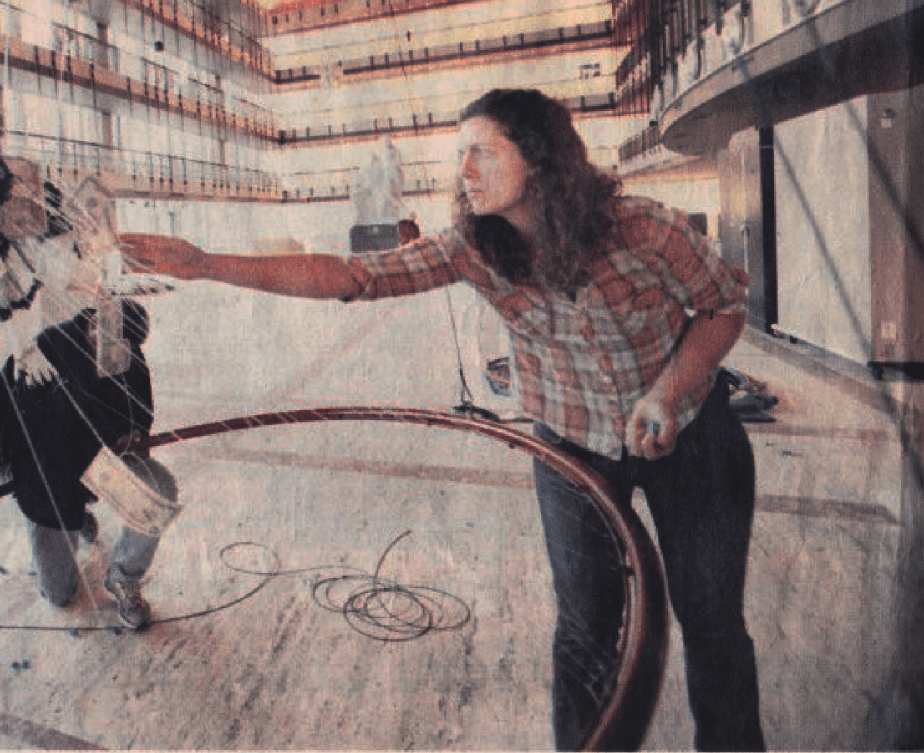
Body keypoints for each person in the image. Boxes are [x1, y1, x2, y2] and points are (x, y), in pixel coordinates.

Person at [120, 87, 764, 751]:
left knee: (712, 624)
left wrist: (668, 390)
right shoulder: (472, 246)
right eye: (461, 156)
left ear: (539, 157)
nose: (465, 172)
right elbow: (352, 276)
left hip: (693, 441)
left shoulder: (646, 228)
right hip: (571, 453)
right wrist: (206, 264)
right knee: (584, 633)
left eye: (482, 153)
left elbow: (723, 306)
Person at [0, 300, 175, 631]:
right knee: (59, 594)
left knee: (158, 487)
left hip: (101, 465)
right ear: (92, 323)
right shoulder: (48, 347)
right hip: (50, 479)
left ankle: (124, 577)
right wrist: (15, 370)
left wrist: (135, 435)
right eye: (102, 336)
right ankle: (73, 520)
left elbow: (141, 412)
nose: (112, 349)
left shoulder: (126, 349)